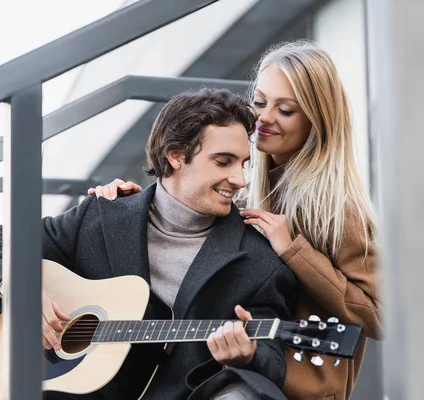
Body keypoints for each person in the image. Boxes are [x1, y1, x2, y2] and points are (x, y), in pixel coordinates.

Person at [91, 40, 381, 400]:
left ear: (315, 120)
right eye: (259, 103)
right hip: (228, 372)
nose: (263, 118)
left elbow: (380, 315)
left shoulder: (337, 206)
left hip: (295, 387)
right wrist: (139, 208)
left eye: (286, 109)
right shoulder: (246, 188)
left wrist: (295, 251)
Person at [1, 88, 298, 400]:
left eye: (243, 163)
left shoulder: (258, 262)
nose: (240, 179)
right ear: (175, 155)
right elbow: (5, 243)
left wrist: (248, 355)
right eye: (224, 161)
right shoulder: (100, 217)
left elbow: (273, 360)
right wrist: (23, 287)